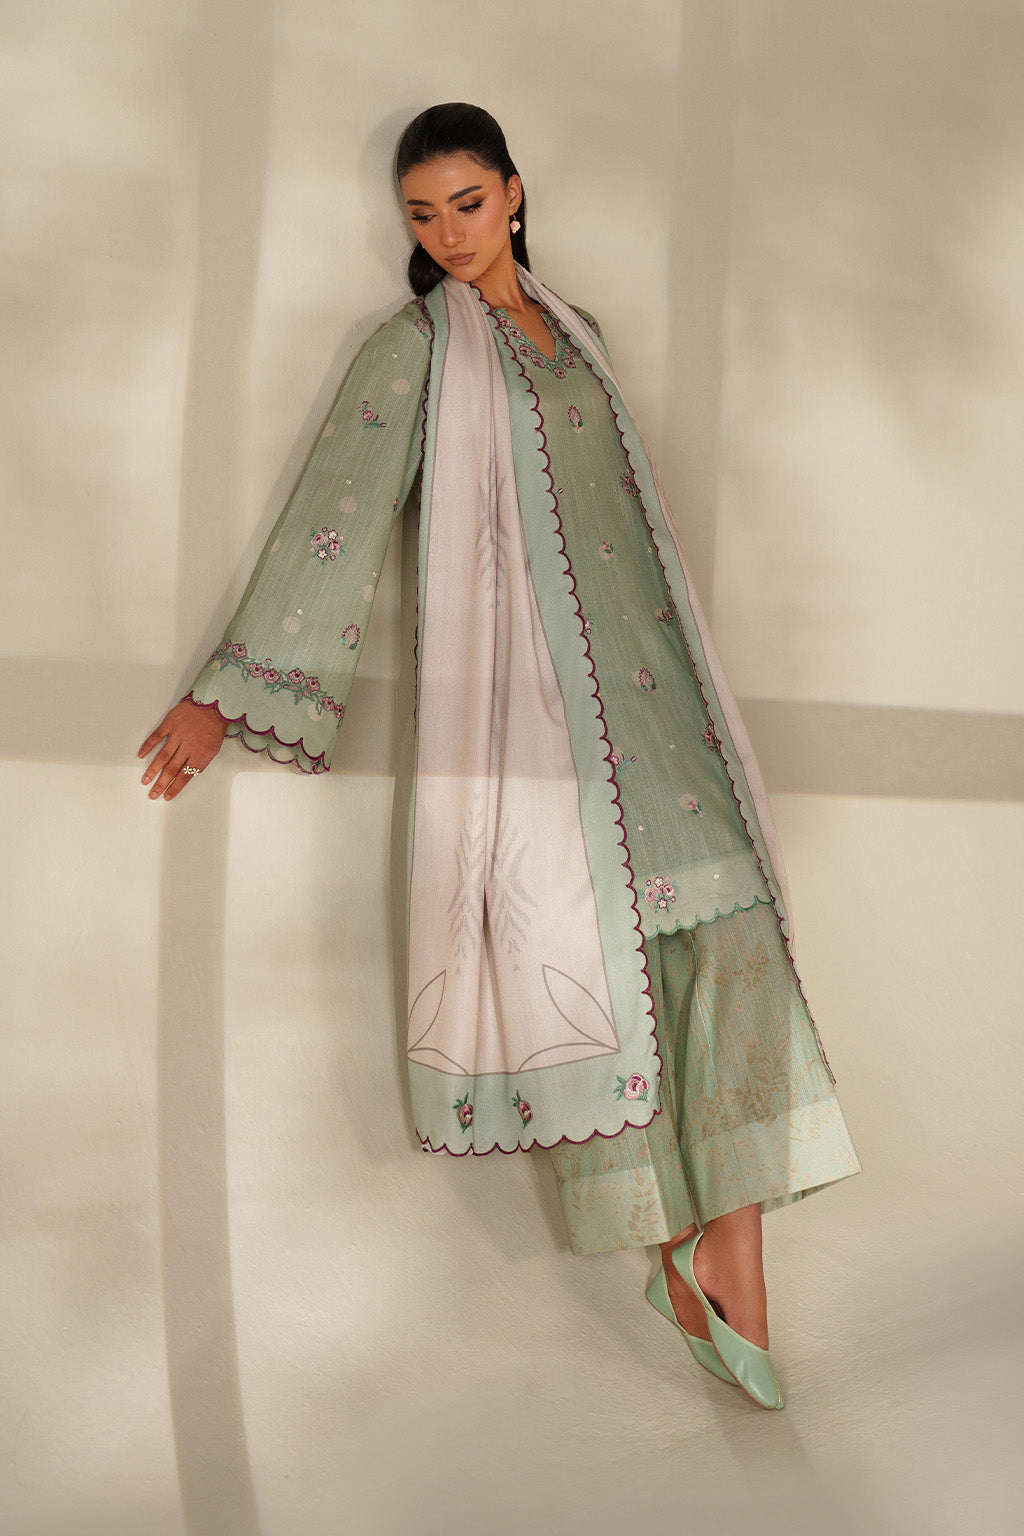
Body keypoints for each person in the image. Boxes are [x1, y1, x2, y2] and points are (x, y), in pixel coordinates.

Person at [139, 103, 860, 1409]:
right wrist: (220, 695)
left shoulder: (581, 337)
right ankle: (701, 1261)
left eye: (467, 204)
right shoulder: (411, 352)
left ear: (514, 194)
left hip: (658, 699)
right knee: (597, 967)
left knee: (736, 941)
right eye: (421, 215)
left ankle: (726, 1253)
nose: (447, 233)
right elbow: (334, 516)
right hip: (540, 726)